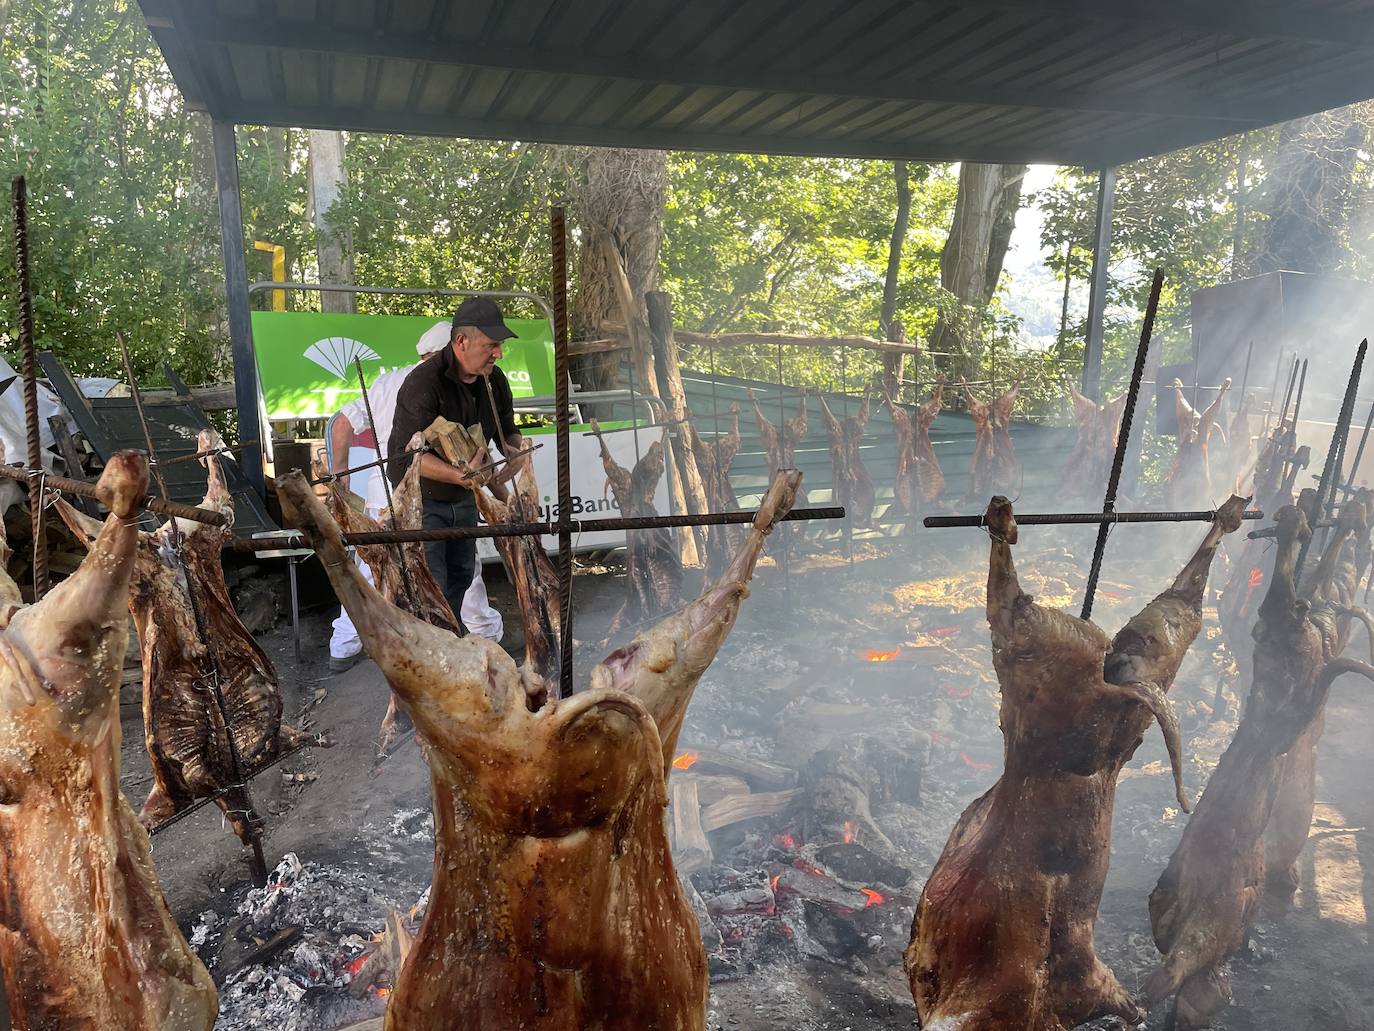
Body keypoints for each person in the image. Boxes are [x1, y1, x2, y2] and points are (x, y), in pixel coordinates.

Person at [327, 318, 504, 672]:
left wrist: (340, 477)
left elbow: (340, 423)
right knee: (459, 571)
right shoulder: (437, 384)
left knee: (371, 568)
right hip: (419, 493)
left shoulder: (387, 381)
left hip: (387, 493)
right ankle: (482, 633)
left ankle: (344, 645)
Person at [388, 297, 530, 631]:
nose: (498, 354)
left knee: (462, 574)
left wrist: (518, 451)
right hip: (421, 499)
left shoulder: (495, 380)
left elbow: (508, 431)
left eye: (500, 346)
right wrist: (460, 475)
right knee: (429, 581)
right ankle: (430, 645)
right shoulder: (423, 383)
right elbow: (409, 458)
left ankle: (448, 635)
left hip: (464, 496)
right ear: (461, 341)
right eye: (491, 346)